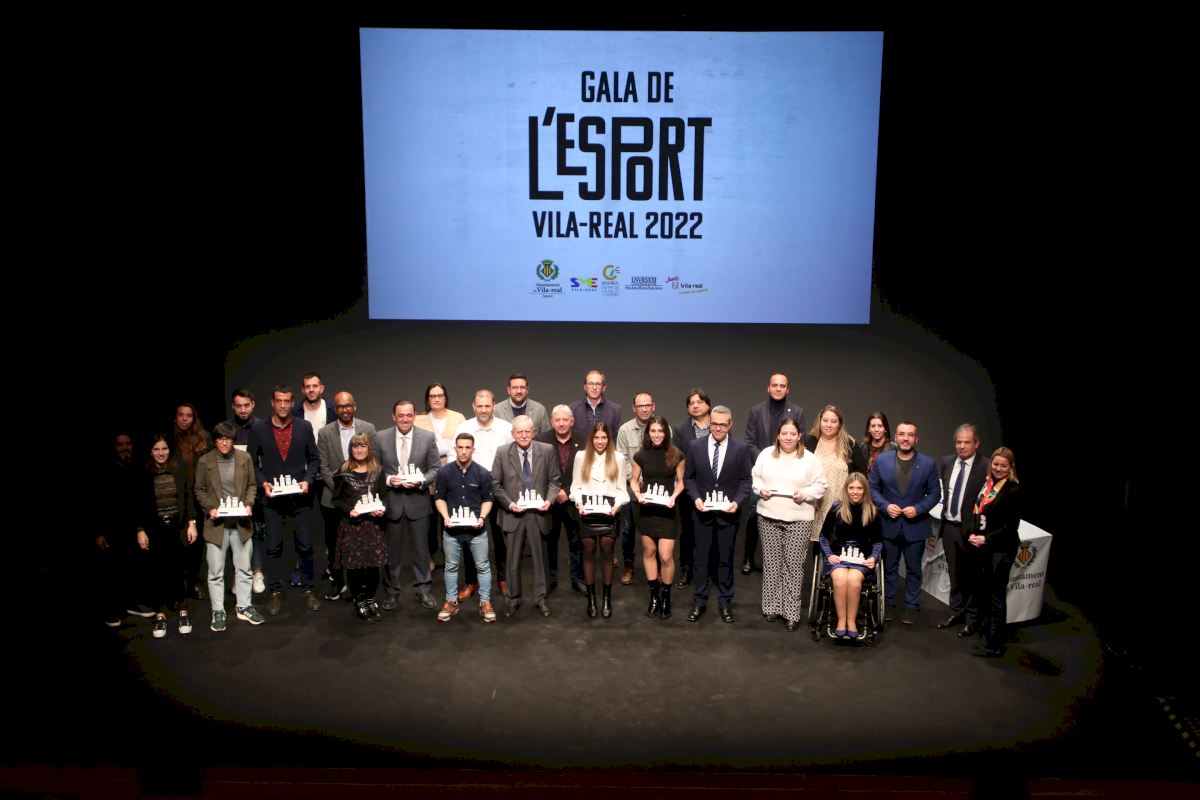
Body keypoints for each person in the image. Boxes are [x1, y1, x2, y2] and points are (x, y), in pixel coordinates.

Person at [248, 385, 321, 615]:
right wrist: (263, 483)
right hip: (272, 498)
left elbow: (314, 459)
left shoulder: (304, 426)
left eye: (287, 401)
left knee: (305, 545)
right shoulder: (259, 428)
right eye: (278, 401)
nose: (282, 405)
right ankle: (275, 592)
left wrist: (307, 480)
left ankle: (308, 589)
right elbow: (251, 462)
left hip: (300, 498)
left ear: (292, 403)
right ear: (272, 402)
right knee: (273, 546)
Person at [751, 418, 828, 631]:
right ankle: (772, 607)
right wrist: (760, 490)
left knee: (793, 566)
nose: (788, 437)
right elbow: (756, 477)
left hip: (799, 519)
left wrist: (805, 493)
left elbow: (821, 485)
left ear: (799, 436)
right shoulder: (766, 454)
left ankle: (791, 612)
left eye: (792, 434)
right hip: (768, 516)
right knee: (772, 564)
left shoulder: (810, 460)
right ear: (778, 435)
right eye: (784, 433)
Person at [683, 405, 753, 624]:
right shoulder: (695, 446)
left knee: (725, 560)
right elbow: (689, 478)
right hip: (702, 514)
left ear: (730, 425)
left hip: (728, 516)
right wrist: (695, 498)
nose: (718, 428)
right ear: (709, 424)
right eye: (714, 424)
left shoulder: (741, 448)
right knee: (701, 561)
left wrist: (737, 502)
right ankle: (699, 601)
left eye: (723, 425)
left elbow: (746, 480)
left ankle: (725, 601)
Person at [868, 421, 940, 625]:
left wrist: (918, 508)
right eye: (902, 434)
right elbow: (872, 489)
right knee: (889, 568)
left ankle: (911, 606)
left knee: (914, 570)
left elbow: (935, 494)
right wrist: (885, 506)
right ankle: (889, 604)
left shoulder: (928, 463)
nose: (905, 438)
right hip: (888, 524)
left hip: (915, 526)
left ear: (916, 439)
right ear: (895, 437)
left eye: (910, 435)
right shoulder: (881, 460)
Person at [194, 422, 263, 630]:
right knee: (215, 571)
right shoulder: (205, 461)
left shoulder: (244, 458)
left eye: (228, 439)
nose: (224, 443)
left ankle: (244, 606)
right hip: (217, 525)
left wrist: (249, 504)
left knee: (244, 569)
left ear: (233, 440)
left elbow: (252, 485)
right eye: (220, 439)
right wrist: (209, 507)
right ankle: (218, 610)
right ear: (215, 441)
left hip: (240, 523)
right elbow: (199, 489)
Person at [491, 416, 561, 618]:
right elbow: (495, 484)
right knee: (512, 561)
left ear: (533, 432)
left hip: (538, 514)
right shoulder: (502, 452)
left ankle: (541, 599)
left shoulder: (546, 450)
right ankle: (513, 600)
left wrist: (549, 500)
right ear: (513, 434)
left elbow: (555, 480)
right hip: (513, 514)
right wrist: (509, 504)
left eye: (527, 431)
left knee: (540, 560)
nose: (523, 435)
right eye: (519, 432)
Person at [377, 400, 440, 611]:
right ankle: (391, 592)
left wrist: (421, 481)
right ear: (394, 417)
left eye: (409, 415)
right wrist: (388, 480)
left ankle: (423, 590)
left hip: (418, 501)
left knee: (422, 550)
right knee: (391, 552)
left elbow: (435, 468)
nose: (405, 419)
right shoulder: (381, 437)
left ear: (414, 416)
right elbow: (375, 469)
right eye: (401, 415)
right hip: (392, 502)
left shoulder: (427, 437)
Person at [135, 435, 198, 638]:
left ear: (169, 450)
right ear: (150, 452)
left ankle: (183, 612)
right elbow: (138, 504)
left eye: (164, 449)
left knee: (180, 569)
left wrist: (191, 523)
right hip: (155, 529)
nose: (161, 453)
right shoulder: (144, 473)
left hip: (177, 527)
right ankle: (160, 614)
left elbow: (188, 496)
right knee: (157, 571)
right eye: (156, 449)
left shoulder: (179, 469)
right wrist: (140, 530)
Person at [742, 373, 806, 575]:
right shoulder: (756, 411)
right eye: (774, 385)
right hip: (763, 472)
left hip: (789, 473)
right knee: (754, 514)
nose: (778, 388)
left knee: (785, 516)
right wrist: (767, 460)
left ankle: (781, 562)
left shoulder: (797, 412)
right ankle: (748, 557)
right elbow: (749, 442)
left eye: (782, 385)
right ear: (768, 388)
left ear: (788, 389)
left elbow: (801, 442)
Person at [317, 392, 378, 601]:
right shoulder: (325, 433)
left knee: (362, 544)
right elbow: (324, 467)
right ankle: (337, 582)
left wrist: (359, 490)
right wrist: (342, 490)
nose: (345, 409)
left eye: (348, 405)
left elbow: (375, 460)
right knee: (335, 544)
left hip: (363, 499)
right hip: (334, 499)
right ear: (335, 409)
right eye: (340, 406)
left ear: (354, 406)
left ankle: (362, 585)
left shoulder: (368, 428)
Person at [433, 433, 497, 623]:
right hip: (452, 530)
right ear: (455, 449)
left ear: (473, 450)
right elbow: (439, 498)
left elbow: (488, 499)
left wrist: (482, 517)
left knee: (483, 566)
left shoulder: (482, 473)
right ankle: (451, 601)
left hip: (476, 530)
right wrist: (445, 517)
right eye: (460, 447)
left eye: (467, 447)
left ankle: (485, 602)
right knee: (451, 566)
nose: (463, 451)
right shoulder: (444, 473)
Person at [569, 422, 629, 619]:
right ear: (591, 439)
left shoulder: (618, 458)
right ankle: (591, 600)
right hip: (587, 509)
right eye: (596, 437)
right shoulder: (581, 456)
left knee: (607, 551)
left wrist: (617, 506)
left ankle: (606, 599)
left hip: (610, 510)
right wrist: (579, 503)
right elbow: (575, 487)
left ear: (609, 439)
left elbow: (622, 490)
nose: (600, 441)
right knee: (588, 551)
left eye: (604, 437)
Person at [458, 390, 513, 597]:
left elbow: (512, 458)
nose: (483, 410)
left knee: (501, 536)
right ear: (473, 406)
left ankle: (503, 579)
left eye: (487, 406)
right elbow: (458, 457)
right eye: (479, 406)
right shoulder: (464, 428)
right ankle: (472, 582)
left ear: (494, 406)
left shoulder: (505, 428)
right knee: (469, 535)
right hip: (472, 486)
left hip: (499, 485)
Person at [967, 447, 1022, 657]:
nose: (998, 468)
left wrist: (986, 538)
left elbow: (1010, 527)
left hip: (1002, 549)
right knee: (985, 593)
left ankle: (994, 645)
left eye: (1003, 466)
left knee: (996, 596)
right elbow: (979, 513)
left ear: (1011, 468)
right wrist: (973, 533)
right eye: (996, 464)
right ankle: (986, 635)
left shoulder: (1013, 490)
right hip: (984, 547)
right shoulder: (987, 484)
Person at [935, 424, 988, 636]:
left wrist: (980, 532)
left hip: (972, 531)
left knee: (972, 577)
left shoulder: (986, 466)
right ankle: (956, 612)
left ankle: (972, 620)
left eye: (967, 442)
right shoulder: (947, 462)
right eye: (959, 442)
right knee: (954, 573)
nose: (962, 446)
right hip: (950, 527)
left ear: (976, 444)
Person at [630, 417, 684, 619]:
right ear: (648, 433)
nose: (656, 435)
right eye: (652, 431)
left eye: (660, 431)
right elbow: (634, 480)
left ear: (666, 433)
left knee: (666, 556)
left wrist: (674, 497)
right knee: (649, 551)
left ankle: (666, 596)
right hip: (648, 511)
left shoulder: (676, 455)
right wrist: (638, 495)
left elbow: (681, 482)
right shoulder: (640, 456)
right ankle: (654, 595)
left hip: (667, 511)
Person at [818, 473, 883, 640]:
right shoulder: (836, 508)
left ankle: (852, 622)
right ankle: (841, 621)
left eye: (859, 488)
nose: (855, 492)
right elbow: (823, 536)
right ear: (846, 490)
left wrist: (873, 557)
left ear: (865, 490)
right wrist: (829, 555)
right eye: (851, 488)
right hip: (838, 556)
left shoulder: (873, 511)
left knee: (853, 580)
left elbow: (878, 541)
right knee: (840, 579)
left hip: (862, 558)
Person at [331, 434, 388, 621]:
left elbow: (384, 496)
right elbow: (336, 500)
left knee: (373, 565)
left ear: (368, 448)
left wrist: (381, 509)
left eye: (363, 446)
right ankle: (359, 600)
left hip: (373, 526)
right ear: (351, 449)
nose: (359, 450)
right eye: (355, 446)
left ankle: (370, 598)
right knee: (354, 566)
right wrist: (350, 511)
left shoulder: (378, 470)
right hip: (352, 526)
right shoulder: (343, 471)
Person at [414, 382, 467, 580]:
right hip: (427, 477)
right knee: (428, 521)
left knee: (450, 519)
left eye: (440, 395)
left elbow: (462, 445)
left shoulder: (458, 418)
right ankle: (429, 555)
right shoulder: (419, 419)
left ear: (446, 398)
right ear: (427, 399)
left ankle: (451, 556)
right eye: (432, 396)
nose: (437, 399)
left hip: (453, 477)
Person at [535, 404, 588, 594]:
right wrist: (555, 491)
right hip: (550, 501)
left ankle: (577, 579)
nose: (561, 423)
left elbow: (587, 471)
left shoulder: (584, 440)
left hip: (574, 500)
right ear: (551, 422)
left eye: (565, 419)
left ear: (572, 421)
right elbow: (538, 471)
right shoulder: (541, 440)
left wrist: (567, 490)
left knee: (576, 542)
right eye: (557, 420)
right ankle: (551, 579)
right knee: (549, 541)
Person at [672, 388, 712, 588]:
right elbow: (677, 458)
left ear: (708, 404)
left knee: (711, 529)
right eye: (691, 403)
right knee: (688, 530)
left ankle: (709, 569)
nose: (695, 406)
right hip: (689, 486)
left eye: (699, 402)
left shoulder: (717, 425)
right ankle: (686, 568)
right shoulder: (681, 429)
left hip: (713, 487)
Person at [615, 391, 656, 584]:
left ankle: (656, 565)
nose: (644, 409)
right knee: (627, 530)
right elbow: (621, 459)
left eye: (647, 405)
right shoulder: (625, 430)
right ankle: (629, 565)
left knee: (655, 530)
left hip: (656, 491)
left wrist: (652, 482)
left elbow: (668, 457)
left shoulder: (662, 427)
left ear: (653, 407)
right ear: (634, 408)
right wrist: (636, 481)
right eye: (640, 406)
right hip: (631, 491)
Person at [173, 402, 211, 601]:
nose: (185, 419)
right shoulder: (170, 440)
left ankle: (195, 581)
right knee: (178, 542)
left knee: (197, 543)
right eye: (181, 415)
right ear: (176, 417)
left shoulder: (203, 438)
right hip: (176, 496)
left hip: (198, 495)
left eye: (189, 415)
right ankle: (179, 582)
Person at [805, 405, 856, 548]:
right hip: (815, 504)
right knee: (814, 547)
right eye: (825, 420)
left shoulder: (849, 443)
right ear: (819, 421)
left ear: (839, 424)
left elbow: (859, 474)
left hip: (840, 505)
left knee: (835, 547)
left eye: (833, 421)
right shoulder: (810, 441)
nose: (829, 425)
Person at [568, 369, 622, 439]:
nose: (594, 388)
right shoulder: (572, 409)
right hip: (580, 446)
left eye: (598, 384)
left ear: (603, 388)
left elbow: (617, 438)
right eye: (590, 384)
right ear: (585, 387)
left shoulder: (615, 410)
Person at [294, 372, 336, 442]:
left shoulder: (333, 410)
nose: (311, 390)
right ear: (303, 390)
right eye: (307, 387)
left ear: (321, 389)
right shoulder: (295, 413)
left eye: (315, 386)